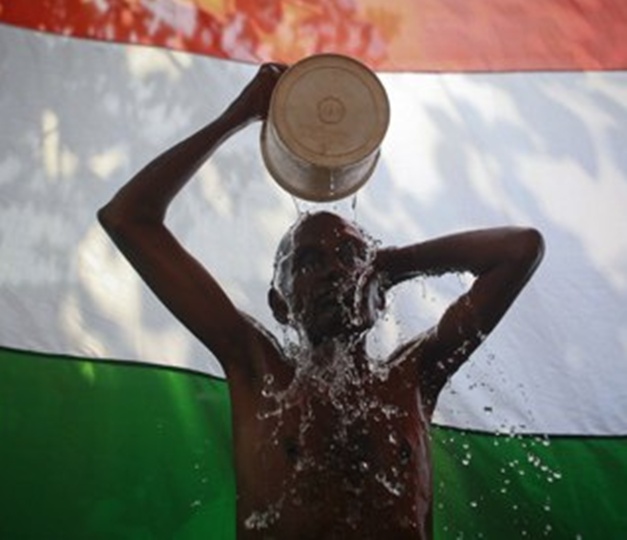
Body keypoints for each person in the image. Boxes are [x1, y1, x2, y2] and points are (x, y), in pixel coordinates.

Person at [98, 63, 544, 539]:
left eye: (354, 256)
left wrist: (393, 264)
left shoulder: (414, 377)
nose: (336, 269)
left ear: (380, 296)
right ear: (280, 305)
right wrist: (238, 115)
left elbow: (519, 250)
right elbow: (129, 218)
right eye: (308, 260)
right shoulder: (256, 366)